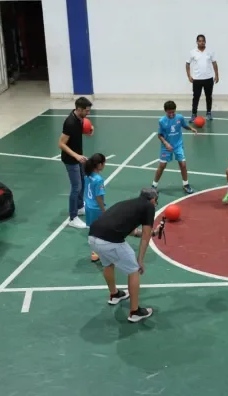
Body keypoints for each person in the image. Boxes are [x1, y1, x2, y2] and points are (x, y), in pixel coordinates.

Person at [88, 188, 161, 323]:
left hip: (93, 237)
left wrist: (153, 233)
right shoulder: (149, 207)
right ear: (152, 200)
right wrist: (140, 259)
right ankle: (135, 312)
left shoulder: (127, 204)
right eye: (156, 201)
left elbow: (133, 231)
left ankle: (114, 294)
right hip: (110, 241)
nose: (155, 204)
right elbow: (145, 237)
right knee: (133, 270)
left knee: (108, 264)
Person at [58, 97, 93, 229]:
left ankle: (79, 207)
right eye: (87, 111)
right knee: (76, 187)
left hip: (78, 157)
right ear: (79, 109)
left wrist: (89, 130)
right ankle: (73, 218)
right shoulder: (70, 122)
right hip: (70, 159)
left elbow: (84, 127)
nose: (88, 113)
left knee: (82, 182)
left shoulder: (80, 118)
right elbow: (61, 143)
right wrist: (76, 156)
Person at [151, 100, 197, 194]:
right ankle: (154, 185)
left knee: (183, 165)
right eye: (169, 112)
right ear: (165, 111)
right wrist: (166, 144)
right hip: (166, 146)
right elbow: (159, 135)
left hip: (178, 145)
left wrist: (191, 128)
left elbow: (184, 125)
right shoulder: (162, 121)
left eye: (173, 112)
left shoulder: (179, 117)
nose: (172, 114)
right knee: (162, 166)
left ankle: (186, 184)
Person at [186, 34, 219, 122]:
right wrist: (189, 76)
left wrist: (217, 75)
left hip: (208, 78)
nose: (201, 42)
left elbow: (214, 63)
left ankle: (209, 113)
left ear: (205, 41)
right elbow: (187, 64)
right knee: (196, 97)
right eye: (200, 41)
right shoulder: (192, 52)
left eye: (203, 41)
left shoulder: (210, 51)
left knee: (209, 97)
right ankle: (194, 114)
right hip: (197, 79)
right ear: (197, 42)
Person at [83, 153, 107, 263]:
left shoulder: (87, 175)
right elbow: (98, 197)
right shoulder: (98, 179)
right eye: (104, 163)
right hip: (96, 208)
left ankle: (94, 252)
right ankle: (99, 252)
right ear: (99, 164)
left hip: (88, 206)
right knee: (101, 230)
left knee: (92, 229)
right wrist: (103, 210)